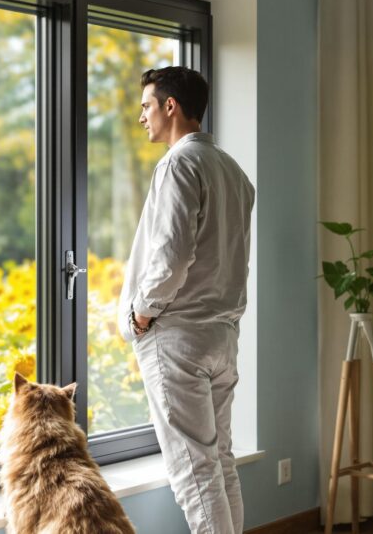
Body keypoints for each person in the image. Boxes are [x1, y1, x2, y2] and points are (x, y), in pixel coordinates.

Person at [118, 66, 255, 534]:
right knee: (219, 461)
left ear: (170, 106)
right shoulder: (234, 172)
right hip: (222, 336)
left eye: (146, 105)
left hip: (178, 338)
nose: (141, 117)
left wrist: (142, 312)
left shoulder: (179, 164)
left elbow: (173, 254)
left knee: (194, 472)